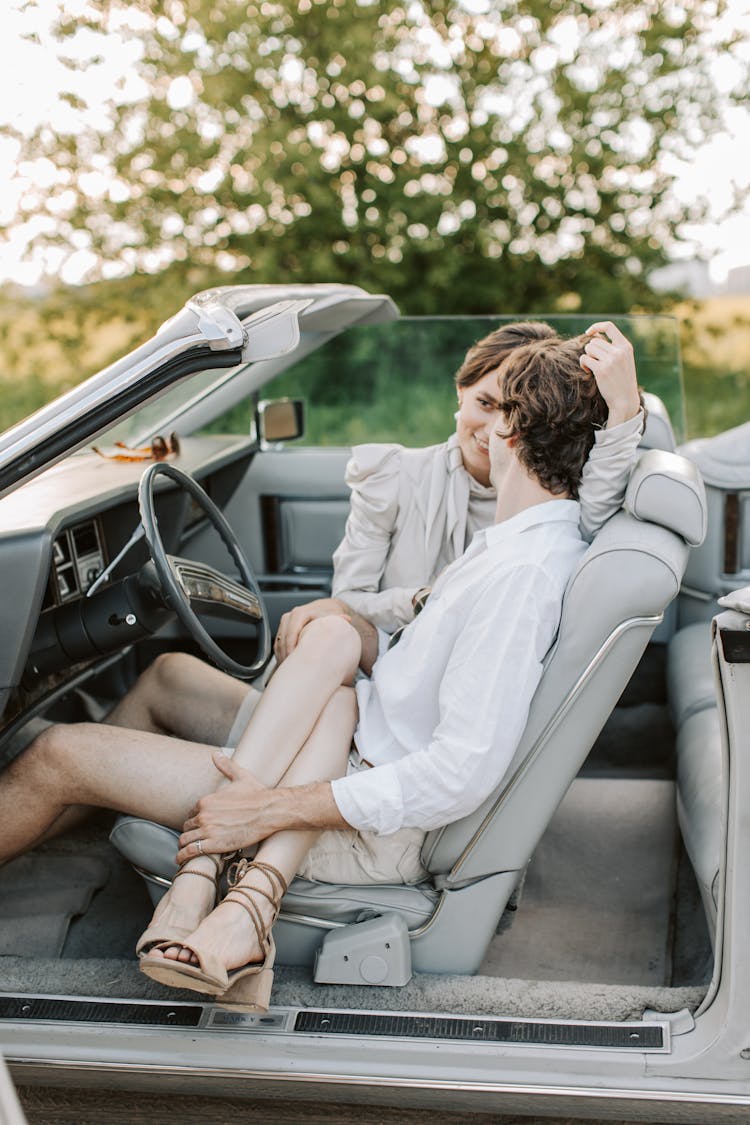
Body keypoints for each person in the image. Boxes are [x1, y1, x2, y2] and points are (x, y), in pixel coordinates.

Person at [0, 332, 609, 1011]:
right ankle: (78, 852)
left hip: (366, 820)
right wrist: (343, 634)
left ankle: (192, 869)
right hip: (348, 743)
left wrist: (268, 806)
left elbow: (458, 771)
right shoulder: (527, 540)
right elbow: (417, 681)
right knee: (170, 673)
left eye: (496, 405)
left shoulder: (519, 574)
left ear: (509, 427)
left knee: (58, 751)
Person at [104, 320, 643, 747]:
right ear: (457, 394)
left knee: (159, 685)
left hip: (391, 715)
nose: (493, 427)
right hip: (362, 673)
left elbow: (595, 515)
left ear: (533, 419)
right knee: (168, 671)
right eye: (483, 402)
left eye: (511, 409)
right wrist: (424, 601)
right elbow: (349, 602)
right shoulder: (391, 475)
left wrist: (624, 410)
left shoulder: (548, 509)